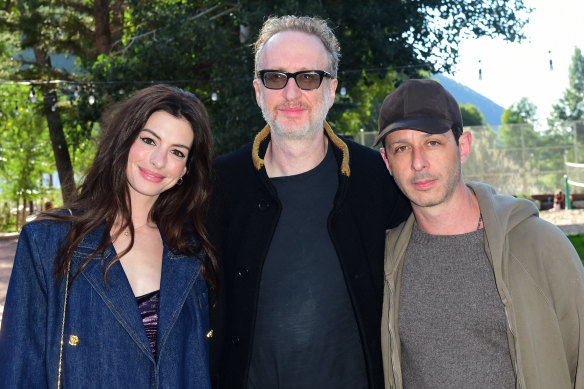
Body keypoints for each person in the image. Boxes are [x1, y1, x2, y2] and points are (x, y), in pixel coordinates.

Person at [208, 15, 410, 389]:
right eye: (275, 77)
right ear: (257, 91)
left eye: (308, 77)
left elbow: (441, 214)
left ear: (331, 89)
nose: (290, 93)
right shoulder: (220, 184)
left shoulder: (375, 177)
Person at [0, 85, 216, 388]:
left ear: (185, 170)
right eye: (149, 140)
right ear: (124, 140)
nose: (158, 160)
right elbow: (18, 370)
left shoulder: (194, 250)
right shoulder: (47, 241)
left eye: (177, 152)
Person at [376, 79, 584, 388]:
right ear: (387, 162)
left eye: (432, 142)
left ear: (463, 147)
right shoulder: (387, 260)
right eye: (402, 148)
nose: (418, 162)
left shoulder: (540, 246)